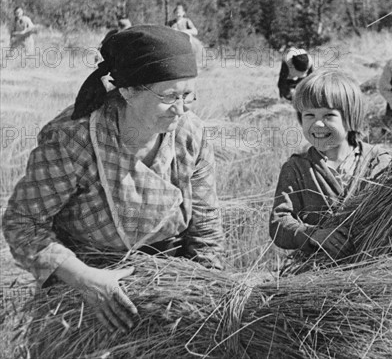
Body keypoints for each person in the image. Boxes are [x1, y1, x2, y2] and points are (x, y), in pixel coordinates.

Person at [2, 25, 225, 333]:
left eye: (188, 95)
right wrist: (84, 278)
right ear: (128, 90)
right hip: (86, 288)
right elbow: (23, 224)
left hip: (170, 284)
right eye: (169, 96)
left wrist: (206, 292)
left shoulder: (191, 133)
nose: (180, 109)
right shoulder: (75, 138)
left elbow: (205, 228)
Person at [270, 69, 391, 260]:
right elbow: (279, 223)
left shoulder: (378, 161)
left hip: (373, 267)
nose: (317, 124)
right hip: (317, 273)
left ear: (351, 117)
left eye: (328, 116)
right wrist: (313, 235)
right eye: (309, 115)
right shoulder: (297, 167)